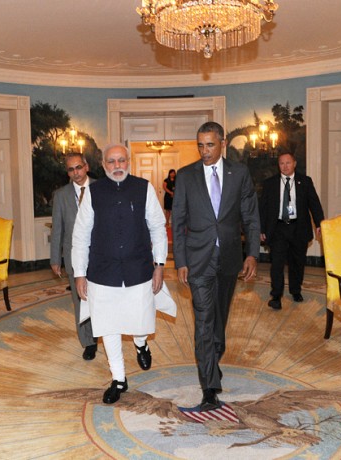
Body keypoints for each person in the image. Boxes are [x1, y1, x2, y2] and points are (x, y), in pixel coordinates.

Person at [172, 121, 260, 411]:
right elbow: (178, 222)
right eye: (200, 145)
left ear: (222, 143)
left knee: (219, 321)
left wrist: (252, 254)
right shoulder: (186, 176)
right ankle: (209, 387)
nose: (205, 151)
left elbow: (250, 216)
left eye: (210, 145)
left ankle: (213, 357)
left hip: (230, 258)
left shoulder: (239, 173)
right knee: (204, 321)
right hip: (198, 260)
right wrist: (181, 261)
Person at [72, 143, 167, 405]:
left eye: (121, 161)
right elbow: (80, 235)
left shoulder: (144, 188)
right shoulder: (93, 192)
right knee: (108, 326)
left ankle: (141, 343)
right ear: (103, 165)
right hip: (102, 272)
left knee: (140, 319)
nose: (117, 166)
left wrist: (160, 264)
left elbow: (158, 227)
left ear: (129, 162)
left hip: (139, 269)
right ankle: (119, 379)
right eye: (111, 161)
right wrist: (79, 273)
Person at [259, 152, 324, 310]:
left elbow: (314, 203)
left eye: (288, 163)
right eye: (281, 163)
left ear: (294, 163)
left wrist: (319, 223)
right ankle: (276, 296)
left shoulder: (305, 181)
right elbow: (262, 208)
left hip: (298, 227)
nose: (285, 166)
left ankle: (296, 290)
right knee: (277, 263)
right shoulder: (270, 183)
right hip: (278, 228)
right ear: (278, 165)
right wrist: (261, 229)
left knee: (297, 262)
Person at [50, 153, 98, 360]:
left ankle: (104, 332)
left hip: (101, 255)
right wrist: (55, 258)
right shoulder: (61, 195)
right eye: (71, 169)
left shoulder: (101, 188)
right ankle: (89, 342)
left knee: (102, 299)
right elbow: (57, 228)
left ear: (86, 167)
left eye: (78, 167)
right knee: (80, 301)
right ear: (67, 173)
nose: (76, 173)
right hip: (73, 256)